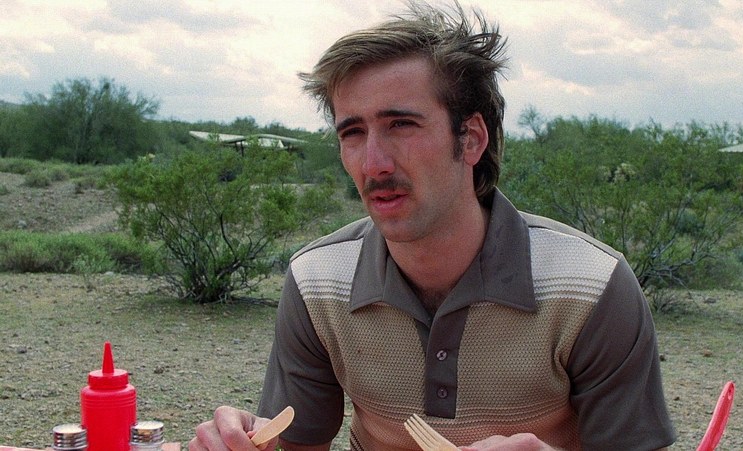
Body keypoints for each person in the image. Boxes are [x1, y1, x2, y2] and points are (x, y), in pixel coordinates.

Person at [190, 2, 676, 450]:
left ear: (471, 139)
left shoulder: (591, 286)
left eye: (401, 125)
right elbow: (298, 445)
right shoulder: (317, 282)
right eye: (353, 132)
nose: (374, 163)